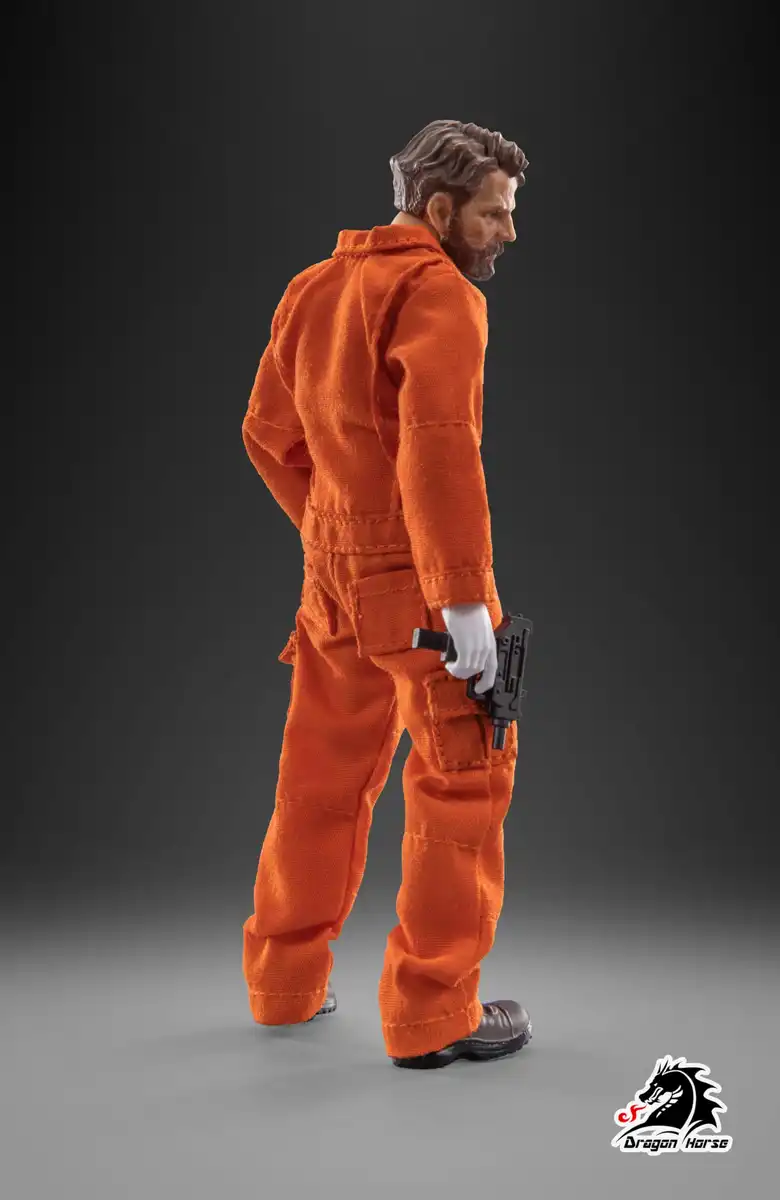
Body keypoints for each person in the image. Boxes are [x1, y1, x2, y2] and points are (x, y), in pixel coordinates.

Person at [241, 119, 533, 1069]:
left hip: (333, 580)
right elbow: (439, 446)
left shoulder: (313, 287)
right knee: (463, 778)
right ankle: (432, 1013)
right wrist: (461, 600)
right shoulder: (439, 293)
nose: (507, 232)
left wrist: (331, 532)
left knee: (318, 780)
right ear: (440, 209)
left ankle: (284, 985)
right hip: (421, 590)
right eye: (494, 214)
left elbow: (266, 434)